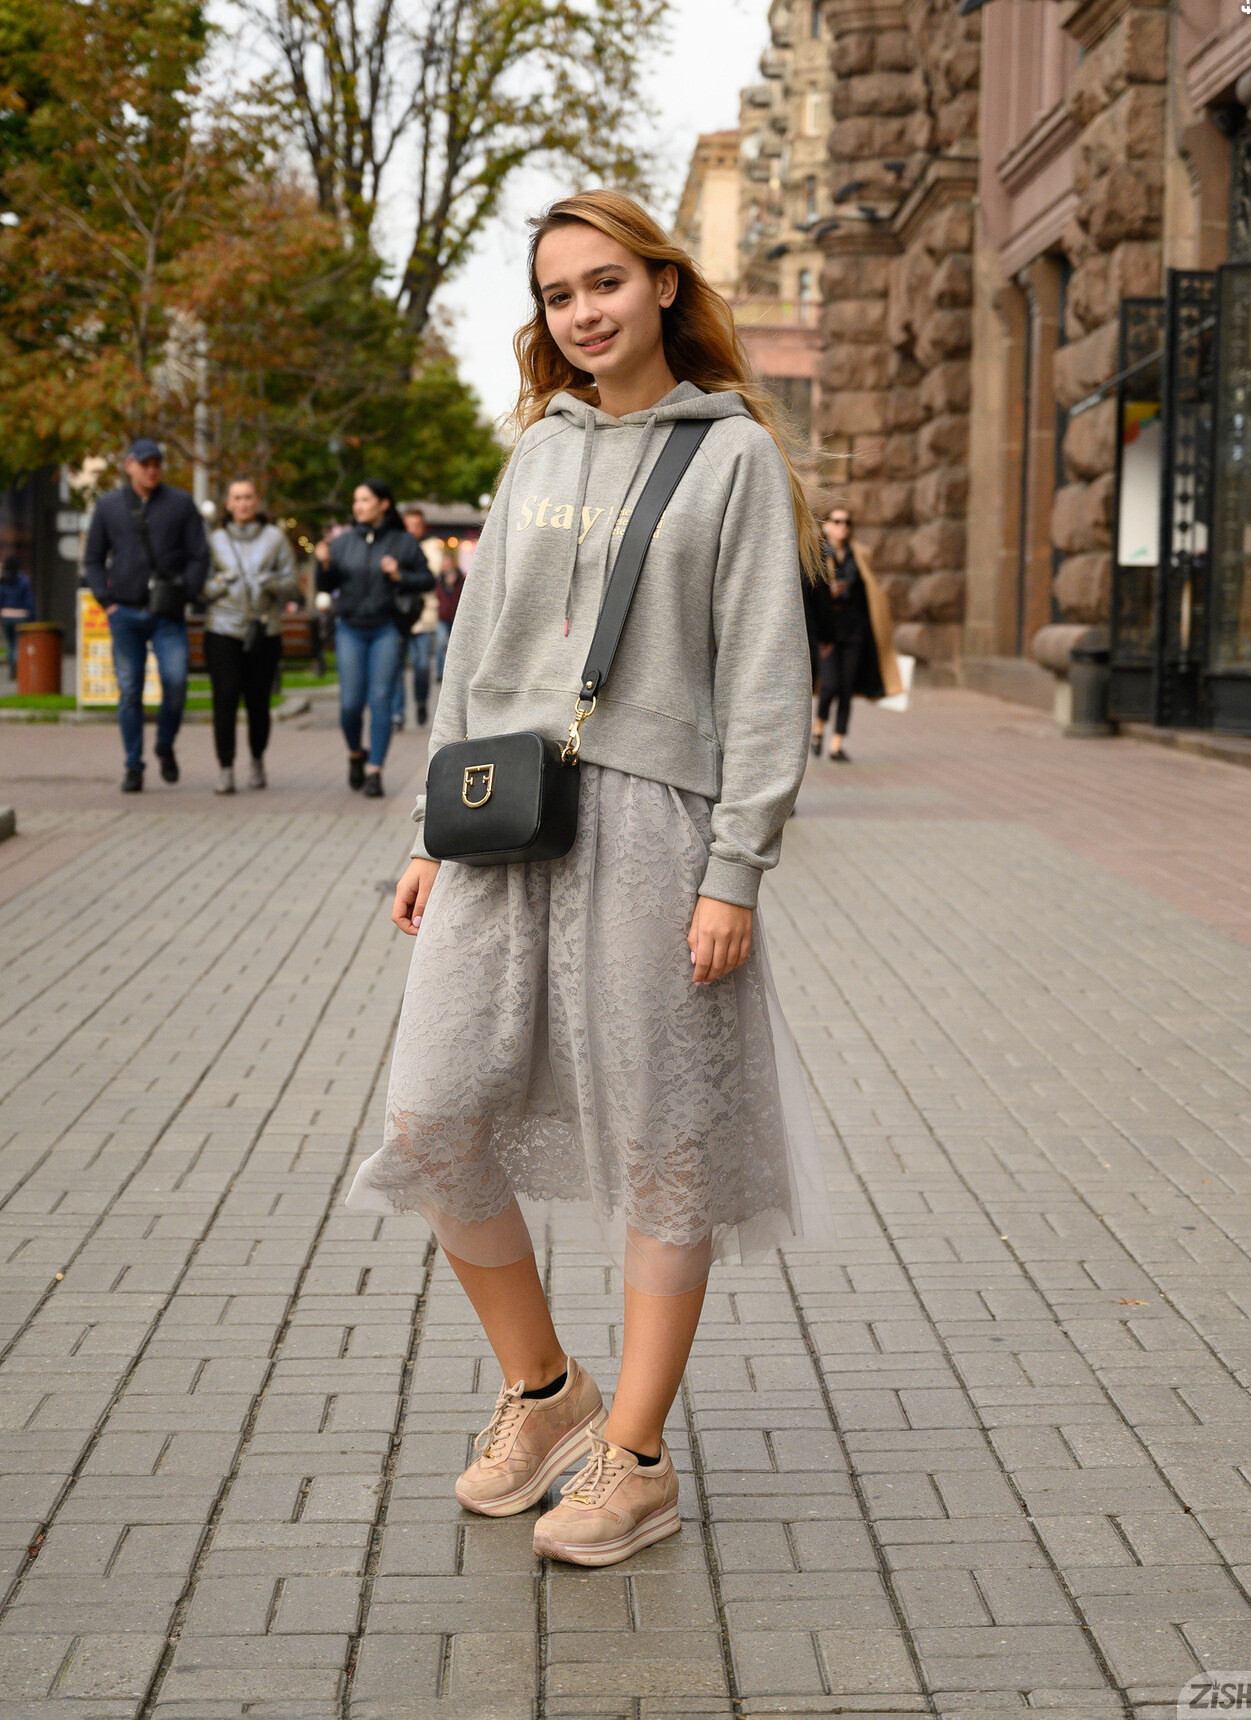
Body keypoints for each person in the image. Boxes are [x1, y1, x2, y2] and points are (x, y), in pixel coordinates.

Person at [346, 189, 835, 1569]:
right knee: (434, 1111)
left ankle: (635, 1458)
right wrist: (427, 833)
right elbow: (474, 658)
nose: (582, 313)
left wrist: (734, 869)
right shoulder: (535, 453)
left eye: (604, 282)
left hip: (656, 830)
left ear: (662, 284)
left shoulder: (730, 457)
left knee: (665, 1142)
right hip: (504, 819)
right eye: (558, 295)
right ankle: (546, 1388)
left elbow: (764, 676)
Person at [82, 438, 209, 792]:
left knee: (176, 682)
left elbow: (200, 554)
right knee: (129, 691)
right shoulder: (109, 506)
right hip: (124, 613)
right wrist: (106, 600)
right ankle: (133, 765)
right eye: (145, 464)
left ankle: (165, 744)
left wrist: (186, 592)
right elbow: (93, 558)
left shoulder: (180, 504)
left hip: (168, 614)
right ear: (129, 466)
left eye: (157, 464)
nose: (152, 470)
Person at [314, 480, 433, 797]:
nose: (358, 506)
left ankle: (375, 770)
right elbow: (325, 585)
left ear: (383, 503)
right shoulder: (342, 543)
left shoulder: (403, 542)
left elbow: (426, 579)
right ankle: (356, 753)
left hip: (386, 629)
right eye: (356, 500)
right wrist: (323, 563)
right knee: (350, 704)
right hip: (350, 629)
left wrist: (399, 574)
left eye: (365, 500)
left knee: (380, 699)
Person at [203, 478, 298, 793]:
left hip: (263, 629)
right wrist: (220, 583)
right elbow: (200, 586)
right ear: (228, 504)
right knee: (225, 697)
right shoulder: (215, 540)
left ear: (257, 502)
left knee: (258, 702)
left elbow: (292, 584)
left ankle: (257, 759)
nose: (243, 503)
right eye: (237, 498)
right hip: (223, 628)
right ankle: (225, 767)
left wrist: (270, 583)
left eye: (248, 497)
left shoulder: (275, 538)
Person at [810, 504, 902, 761]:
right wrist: (828, 595)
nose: (843, 527)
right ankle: (818, 727)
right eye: (837, 521)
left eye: (847, 522)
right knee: (830, 684)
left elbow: (869, 590)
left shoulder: (859, 554)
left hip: (854, 627)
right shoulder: (817, 555)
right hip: (828, 629)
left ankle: (836, 744)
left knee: (847, 687)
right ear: (826, 525)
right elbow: (812, 594)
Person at [391, 509, 438, 730]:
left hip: (423, 617)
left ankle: (420, 702)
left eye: (416, 525)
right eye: (408, 525)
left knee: (422, 666)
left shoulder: (430, 546)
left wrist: (401, 574)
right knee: (396, 666)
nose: (412, 530)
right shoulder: (394, 545)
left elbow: (431, 574)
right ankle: (397, 713)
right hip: (398, 615)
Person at [0, 556, 35, 679]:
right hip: (21, 615)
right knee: (18, 643)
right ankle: (18, 668)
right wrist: (32, 616)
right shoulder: (23, 580)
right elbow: (28, 600)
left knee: (9, 644)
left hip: (6, 615)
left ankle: (11, 669)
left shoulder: (3, 581)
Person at [433, 548, 464, 679]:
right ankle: (440, 672)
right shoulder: (439, 579)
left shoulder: (461, 578)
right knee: (440, 644)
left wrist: (454, 583)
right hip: (443, 616)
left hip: (456, 617)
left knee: (456, 646)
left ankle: (454, 673)